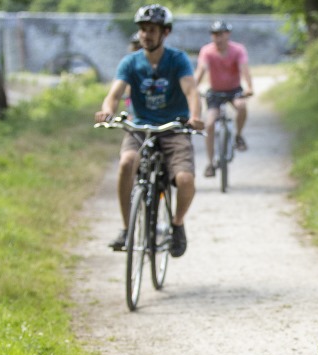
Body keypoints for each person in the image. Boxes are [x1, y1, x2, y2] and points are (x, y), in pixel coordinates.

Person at [95, 4, 203, 257]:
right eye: (143, 29)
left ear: (165, 33)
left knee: (185, 180)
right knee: (126, 163)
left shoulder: (177, 60)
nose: (145, 34)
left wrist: (195, 117)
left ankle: (177, 225)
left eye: (151, 29)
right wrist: (107, 111)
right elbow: (114, 95)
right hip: (141, 127)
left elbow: (191, 91)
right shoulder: (130, 62)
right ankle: (126, 229)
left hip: (173, 128)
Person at [194, 20, 254, 177]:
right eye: (214, 35)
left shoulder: (238, 50)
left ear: (227, 34)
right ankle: (210, 162)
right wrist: (192, 87)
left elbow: (244, 69)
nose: (217, 38)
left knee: (241, 106)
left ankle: (238, 135)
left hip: (234, 90)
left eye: (220, 34)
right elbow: (200, 71)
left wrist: (249, 87)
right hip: (215, 92)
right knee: (209, 123)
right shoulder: (207, 51)